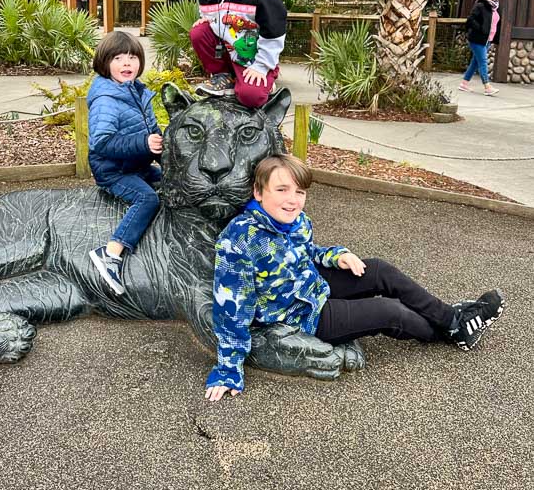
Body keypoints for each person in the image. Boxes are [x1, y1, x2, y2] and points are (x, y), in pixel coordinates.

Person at [205, 154, 505, 401]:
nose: (293, 200)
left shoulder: (296, 221)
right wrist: (229, 368)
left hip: (311, 284)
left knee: (377, 269)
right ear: (259, 193)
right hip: (299, 315)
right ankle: (448, 331)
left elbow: (308, 252)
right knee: (389, 311)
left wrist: (337, 256)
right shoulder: (240, 239)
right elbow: (231, 307)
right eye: (281, 190)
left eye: (299, 192)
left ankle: (453, 321)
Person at [86, 31, 164, 295]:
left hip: (137, 166)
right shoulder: (106, 100)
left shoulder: (138, 93)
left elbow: (152, 131)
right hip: (115, 171)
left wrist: (163, 151)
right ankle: (111, 252)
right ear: (105, 63)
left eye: (132, 57)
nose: (126, 63)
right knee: (147, 199)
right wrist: (143, 144)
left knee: (171, 182)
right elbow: (102, 143)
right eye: (118, 58)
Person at [460, 0, 501, 96]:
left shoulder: (495, 8)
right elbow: (470, 20)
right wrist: (481, 29)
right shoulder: (481, 5)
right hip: (477, 39)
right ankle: (487, 87)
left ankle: (464, 84)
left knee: (475, 63)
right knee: (483, 62)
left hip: (487, 40)